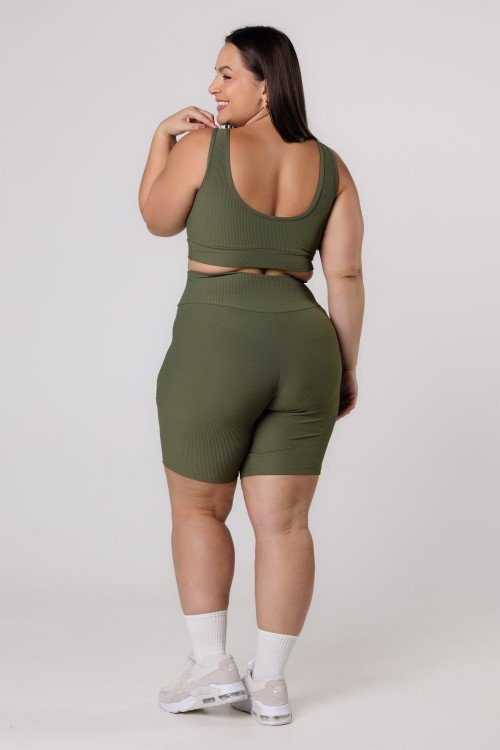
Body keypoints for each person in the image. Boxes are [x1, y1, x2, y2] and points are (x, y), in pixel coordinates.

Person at [138, 25, 364, 726]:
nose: (212, 87)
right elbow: (345, 276)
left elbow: (157, 218)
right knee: (286, 524)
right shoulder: (331, 167)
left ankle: (211, 665)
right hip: (306, 347)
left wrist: (160, 139)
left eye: (227, 74)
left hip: (218, 338)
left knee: (198, 509)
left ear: (267, 85)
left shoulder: (204, 148)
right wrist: (345, 367)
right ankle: (270, 683)